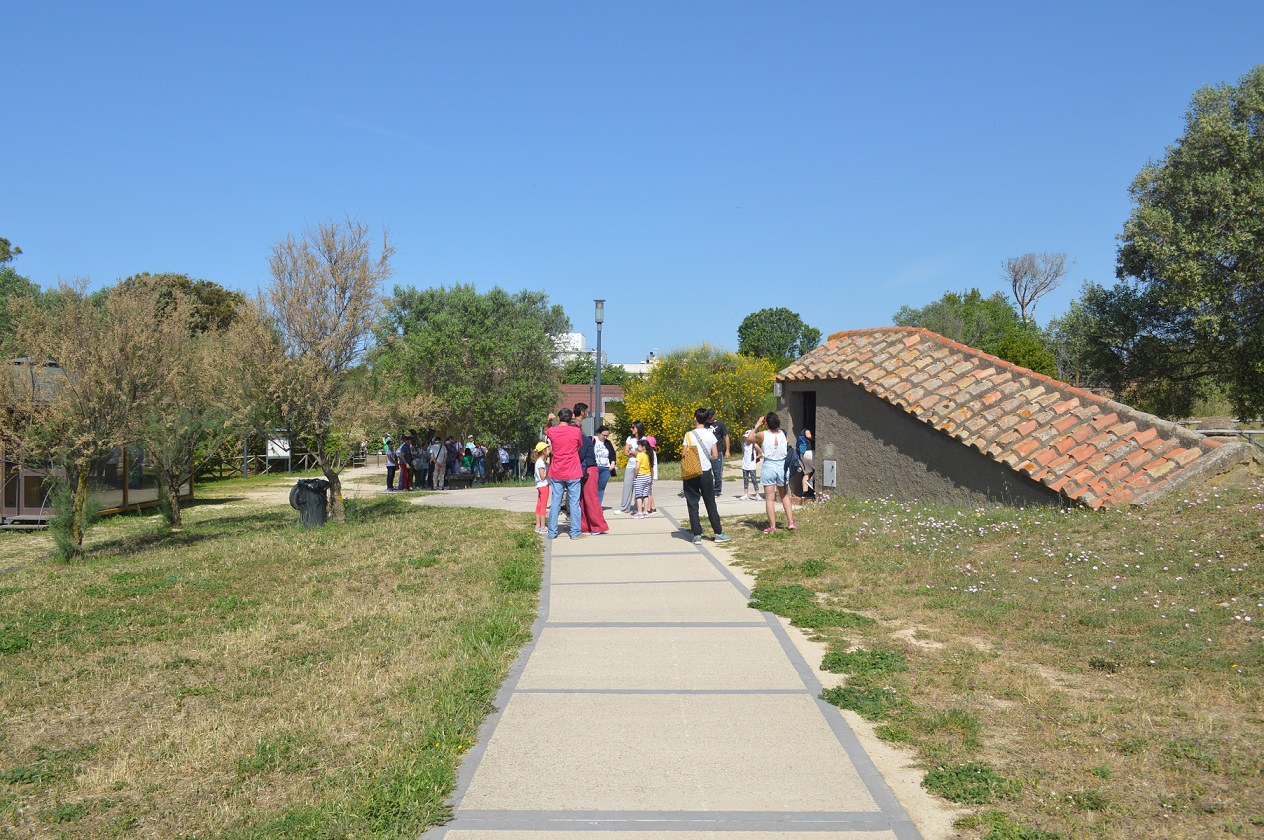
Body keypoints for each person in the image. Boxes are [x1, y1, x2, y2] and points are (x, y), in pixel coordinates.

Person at [682, 407, 730, 545]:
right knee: (710, 502)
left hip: (691, 472)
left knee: (692, 503)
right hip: (706, 472)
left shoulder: (688, 435)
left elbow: (684, 454)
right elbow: (715, 455)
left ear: (695, 418)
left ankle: (697, 534)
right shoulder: (711, 435)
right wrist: (706, 457)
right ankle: (718, 533)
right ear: (707, 419)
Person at [747, 412, 797, 533]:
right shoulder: (784, 434)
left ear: (766, 423)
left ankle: (772, 526)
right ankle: (790, 522)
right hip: (782, 466)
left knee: (770, 498)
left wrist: (757, 425)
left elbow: (749, 439)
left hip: (769, 465)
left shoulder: (762, 434)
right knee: (784, 495)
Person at [545, 408, 584, 539]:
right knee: (574, 503)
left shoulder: (553, 431)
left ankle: (552, 532)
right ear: (570, 418)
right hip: (573, 470)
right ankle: (575, 532)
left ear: (559, 418)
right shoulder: (576, 431)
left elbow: (546, 431)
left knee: (555, 502)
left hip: (557, 470)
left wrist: (550, 421)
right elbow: (578, 446)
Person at [575, 405, 609, 535]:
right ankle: (585, 525)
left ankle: (597, 526)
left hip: (589, 469)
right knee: (582, 499)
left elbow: (581, 455)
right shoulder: (582, 437)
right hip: (585, 469)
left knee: (590, 498)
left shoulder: (583, 439)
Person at [617, 421, 645, 514]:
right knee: (627, 486)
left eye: (633, 427)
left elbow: (644, 453)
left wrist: (632, 452)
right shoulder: (629, 438)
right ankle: (624, 507)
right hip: (630, 465)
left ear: (638, 428)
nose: (631, 429)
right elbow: (625, 452)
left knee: (639, 487)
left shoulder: (644, 439)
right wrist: (634, 452)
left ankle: (637, 507)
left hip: (640, 465)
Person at [704, 408, 730, 497]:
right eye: (708, 417)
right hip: (706, 452)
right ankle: (707, 489)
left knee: (717, 472)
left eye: (711, 417)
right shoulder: (704, 424)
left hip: (717, 451)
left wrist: (727, 450)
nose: (710, 419)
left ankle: (717, 490)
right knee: (706, 472)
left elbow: (726, 437)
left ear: (714, 416)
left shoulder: (720, 425)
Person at [632, 437, 655, 518]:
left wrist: (635, 475)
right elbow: (651, 468)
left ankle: (639, 512)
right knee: (645, 495)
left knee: (638, 495)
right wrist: (652, 478)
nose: (637, 448)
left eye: (639, 446)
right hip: (648, 476)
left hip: (640, 476)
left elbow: (637, 467)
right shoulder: (649, 455)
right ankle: (645, 511)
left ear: (643, 447)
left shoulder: (640, 455)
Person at [532, 441, 551, 534]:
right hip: (543, 485)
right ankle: (543, 526)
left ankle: (538, 525)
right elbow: (543, 476)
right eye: (547, 449)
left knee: (539, 505)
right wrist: (548, 470)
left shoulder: (540, 461)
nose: (549, 450)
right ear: (543, 451)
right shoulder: (540, 463)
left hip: (540, 486)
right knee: (543, 506)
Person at [595, 426, 615, 506]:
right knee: (592, 488)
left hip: (605, 468)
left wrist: (612, 464)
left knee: (601, 488)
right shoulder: (592, 440)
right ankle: (592, 505)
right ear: (599, 433)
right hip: (594, 467)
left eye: (607, 435)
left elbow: (613, 454)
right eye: (603, 435)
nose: (605, 437)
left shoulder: (607, 443)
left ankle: (598, 505)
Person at [740, 428, 761, 499]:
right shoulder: (744, 445)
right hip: (745, 465)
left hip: (752, 466)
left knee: (754, 480)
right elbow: (743, 453)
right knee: (746, 480)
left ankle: (757, 494)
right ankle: (745, 494)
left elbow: (761, 453)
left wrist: (755, 458)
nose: (746, 439)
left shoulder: (755, 445)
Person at [796, 428, 815, 500]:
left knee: (807, 473)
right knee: (820, 467)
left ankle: (805, 493)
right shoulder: (806, 430)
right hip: (809, 452)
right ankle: (811, 480)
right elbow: (809, 436)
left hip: (801, 455)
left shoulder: (800, 434)